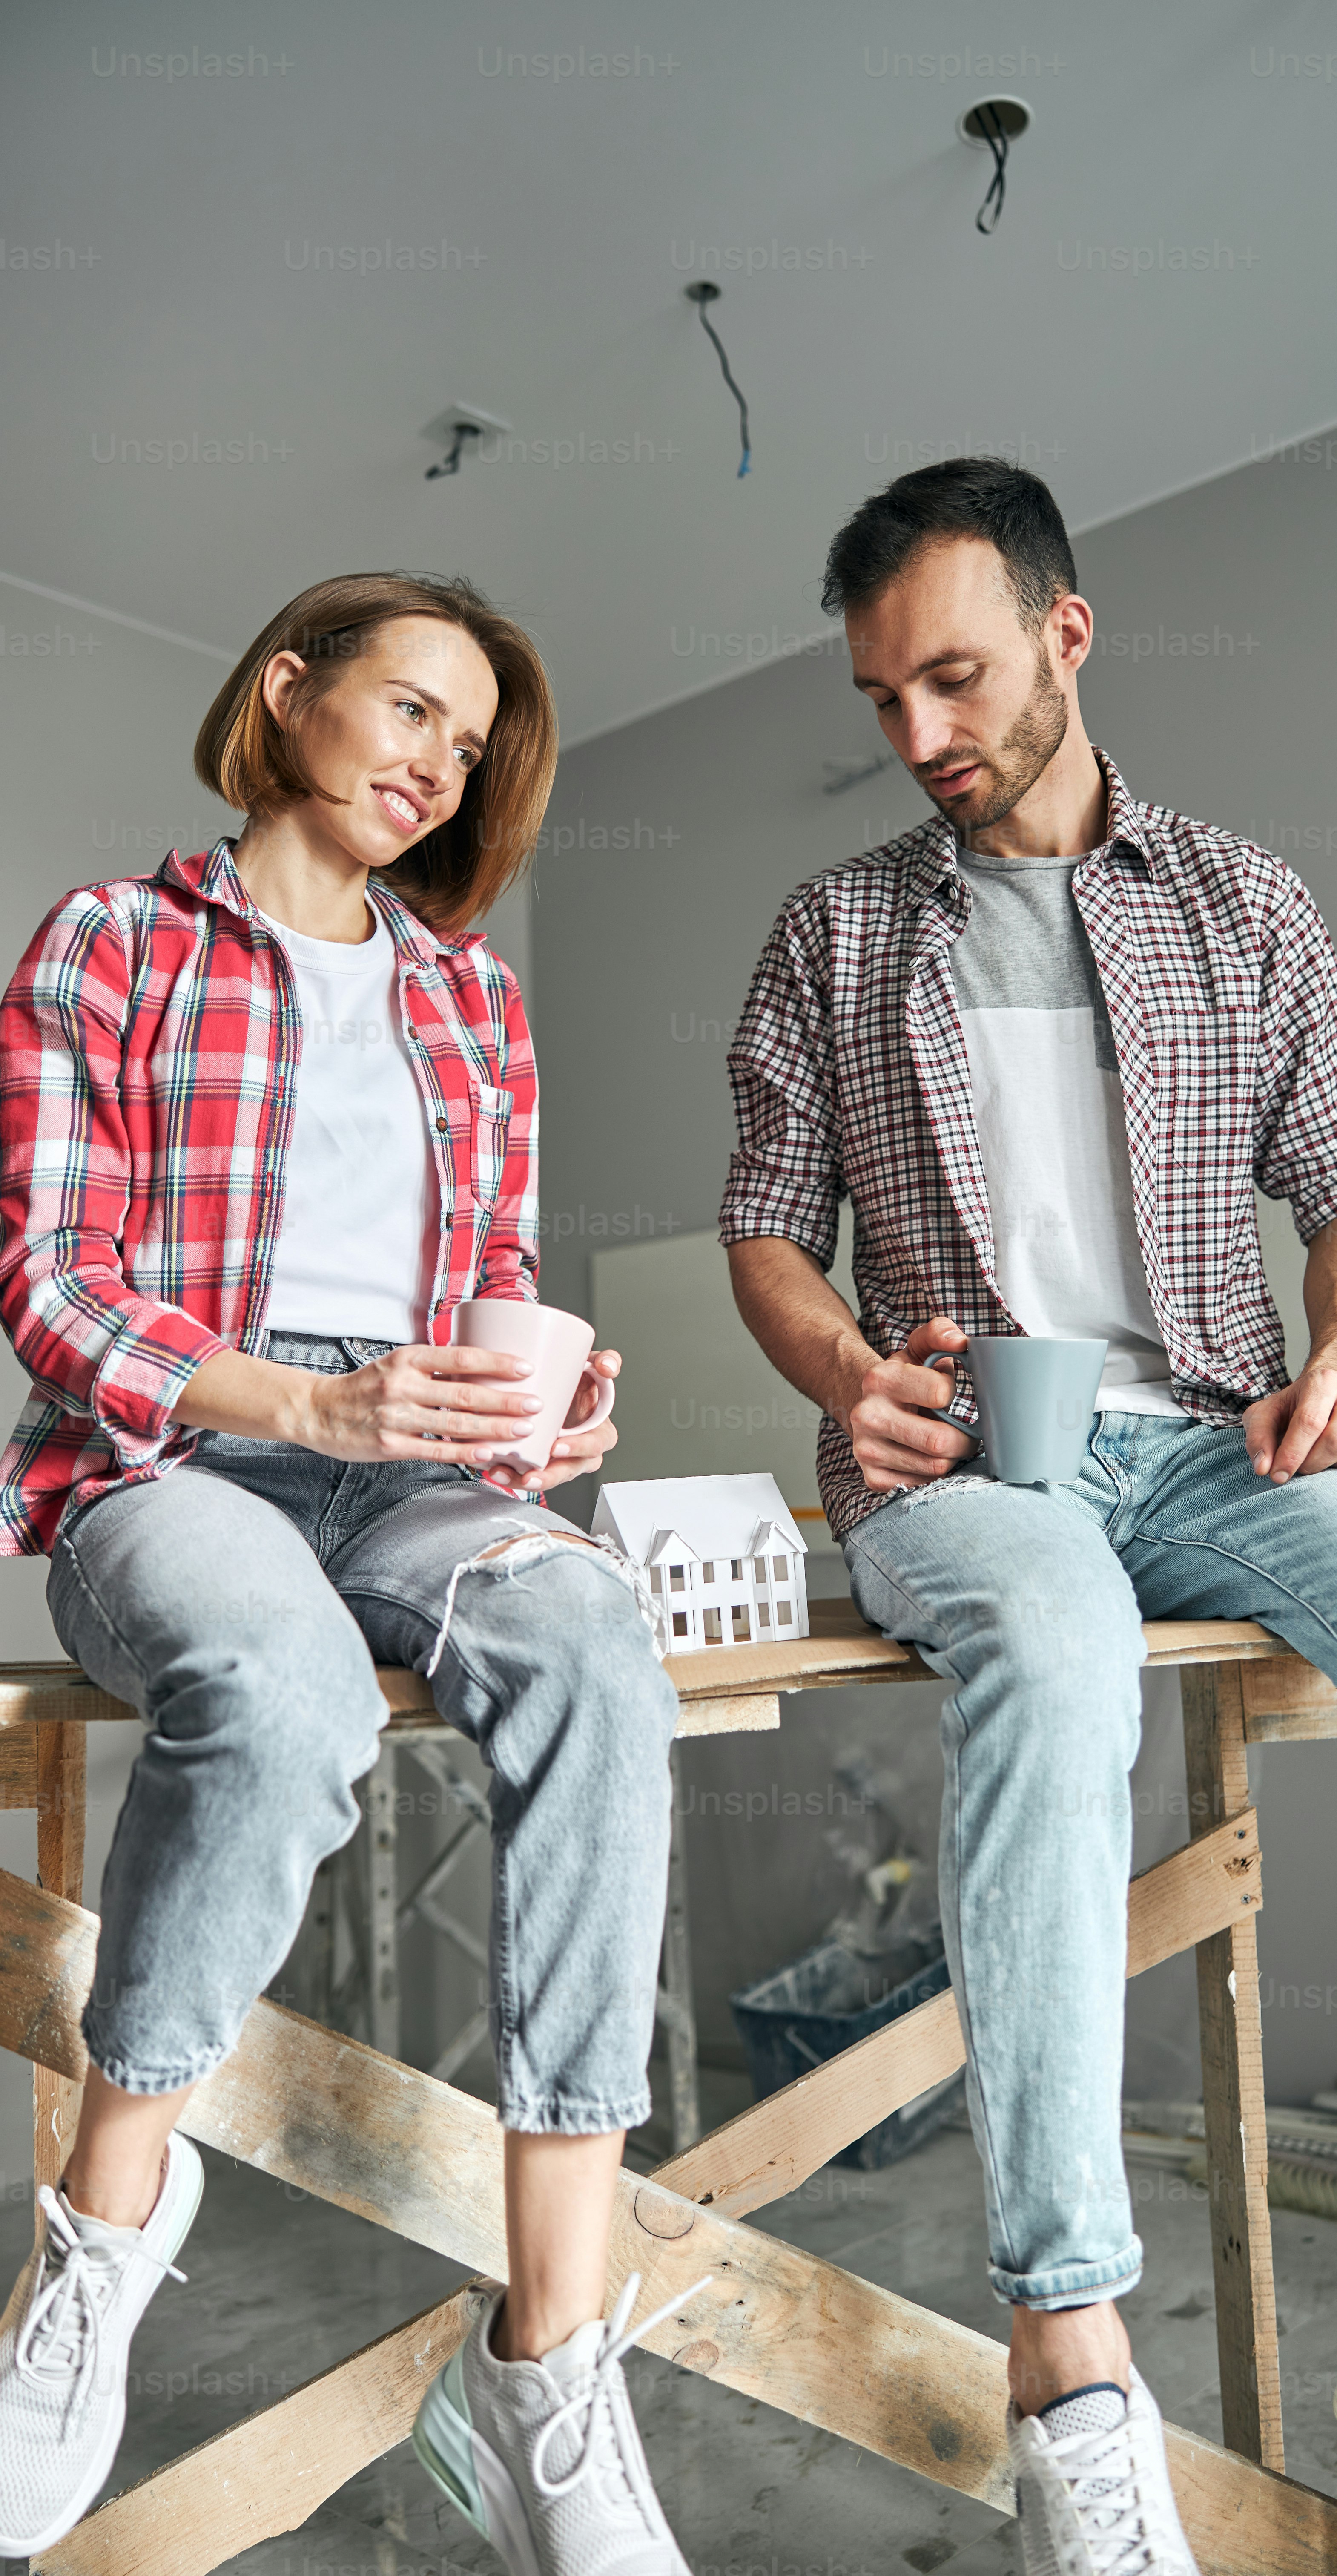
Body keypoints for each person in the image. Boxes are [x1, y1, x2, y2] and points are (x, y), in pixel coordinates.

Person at [721, 462, 1337, 2576]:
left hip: (1223, 1438)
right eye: (882, 701)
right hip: (961, 1456)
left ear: (1068, 633)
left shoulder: (1242, 898)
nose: (922, 734)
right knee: (1054, 1645)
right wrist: (848, 1377)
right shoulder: (838, 930)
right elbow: (772, 1233)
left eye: (954, 677)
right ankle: (1073, 2368)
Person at [0, 572, 701, 2576]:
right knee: (286, 1690)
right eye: (405, 710)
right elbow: (47, 1285)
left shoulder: (470, 997)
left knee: (585, 1627)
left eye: (465, 746)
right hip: (176, 1456)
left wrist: (550, 1409)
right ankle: (107, 2229)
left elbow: (494, 1297)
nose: (433, 764)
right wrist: (303, 1414)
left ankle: (549, 2355)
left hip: (413, 1462)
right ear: (286, 692)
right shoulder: (114, 940)